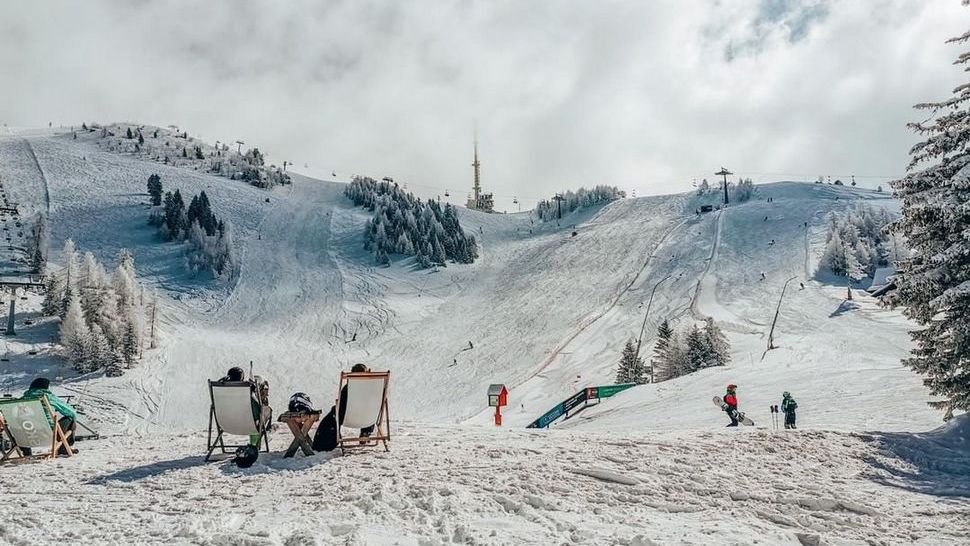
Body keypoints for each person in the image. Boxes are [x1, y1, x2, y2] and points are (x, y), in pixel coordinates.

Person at [22, 377, 78, 455]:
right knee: (70, 418)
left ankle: (25, 451)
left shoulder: (22, 400)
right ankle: (64, 447)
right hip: (48, 433)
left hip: (26, 433)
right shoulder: (48, 397)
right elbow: (71, 413)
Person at [218, 366, 271, 447]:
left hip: (226, 425)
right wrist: (253, 393)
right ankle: (256, 442)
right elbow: (257, 410)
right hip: (247, 425)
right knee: (264, 412)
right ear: (242, 378)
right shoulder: (245, 390)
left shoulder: (220, 391)